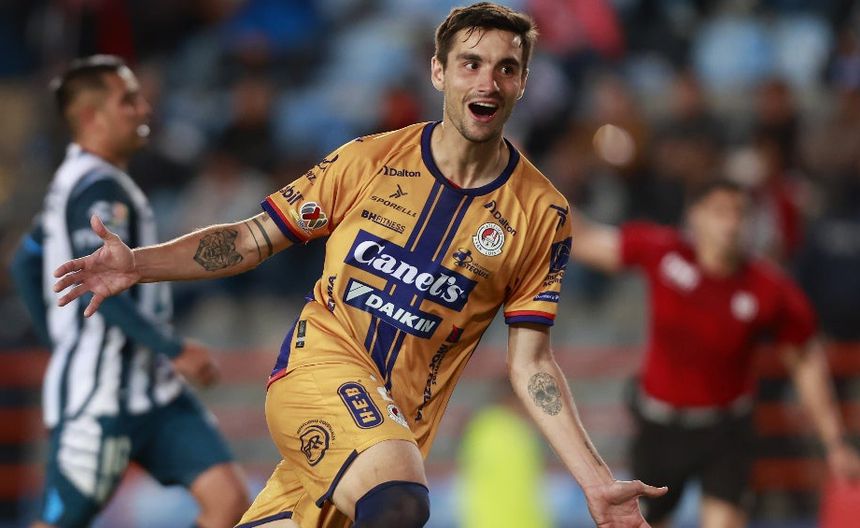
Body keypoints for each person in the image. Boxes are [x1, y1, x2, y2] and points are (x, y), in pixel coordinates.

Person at [51, 5, 667, 527]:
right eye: (471, 64)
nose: (487, 81)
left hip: (392, 433)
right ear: (439, 72)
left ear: (523, 82)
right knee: (400, 504)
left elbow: (531, 362)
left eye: (506, 68)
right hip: (317, 374)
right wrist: (140, 264)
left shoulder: (541, 214)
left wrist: (596, 480)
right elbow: (251, 238)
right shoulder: (369, 159)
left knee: (382, 501)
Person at [9, 55, 249, 528]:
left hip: (151, 388)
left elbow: (25, 260)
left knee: (228, 500)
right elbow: (92, 286)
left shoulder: (77, 179)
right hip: (102, 398)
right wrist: (174, 347)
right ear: (91, 116)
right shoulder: (98, 190)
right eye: (129, 100)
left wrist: (61, 340)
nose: (144, 109)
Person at [567, 178, 860, 527]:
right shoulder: (663, 252)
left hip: (727, 431)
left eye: (740, 213)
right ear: (695, 216)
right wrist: (524, 181)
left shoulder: (768, 288)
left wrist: (834, 443)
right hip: (660, 427)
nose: (731, 223)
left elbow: (806, 360)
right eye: (720, 212)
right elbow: (585, 239)